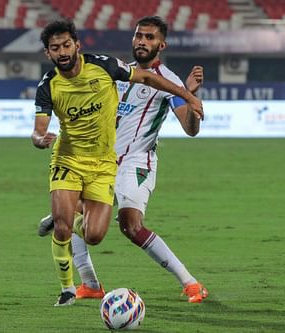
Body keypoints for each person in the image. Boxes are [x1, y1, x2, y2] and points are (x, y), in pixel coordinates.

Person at [32, 18, 203, 307]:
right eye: (138, 35)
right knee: (80, 215)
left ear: (161, 45)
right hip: (102, 160)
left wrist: (190, 94)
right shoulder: (119, 71)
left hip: (137, 161)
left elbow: (190, 128)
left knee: (130, 225)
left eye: (149, 38)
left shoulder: (168, 80)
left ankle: (190, 283)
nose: (141, 42)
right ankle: (89, 283)